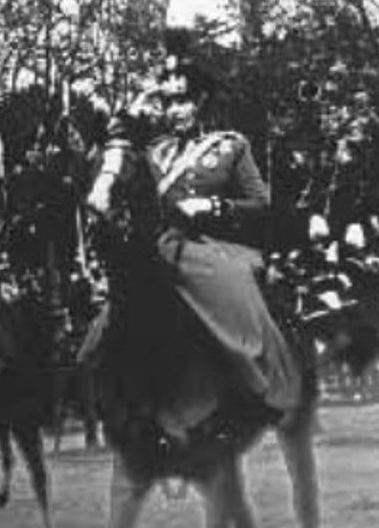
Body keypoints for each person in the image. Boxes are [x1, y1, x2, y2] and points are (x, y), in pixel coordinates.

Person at [87, 39, 302, 439]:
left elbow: (261, 203)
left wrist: (214, 207)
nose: (175, 110)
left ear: (200, 101)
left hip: (218, 246)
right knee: (111, 317)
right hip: (163, 245)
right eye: (167, 102)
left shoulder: (231, 146)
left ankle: (254, 387)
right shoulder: (154, 151)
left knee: (230, 285)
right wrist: (136, 104)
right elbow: (116, 141)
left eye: (183, 100)